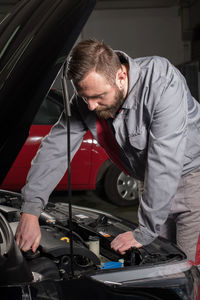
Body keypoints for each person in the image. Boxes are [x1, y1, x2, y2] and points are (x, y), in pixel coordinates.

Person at [15, 39, 200, 263]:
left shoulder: (161, 82)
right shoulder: (86, 102)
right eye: (85, 97)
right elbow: (56, 148)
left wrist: (145, 231)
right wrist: (31, 211)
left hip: (192, 182)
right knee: (157, 264)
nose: (91, 106)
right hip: (151, 182)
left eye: (98, 96)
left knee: (187, 268)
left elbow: (165, 160)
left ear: (121, 77)